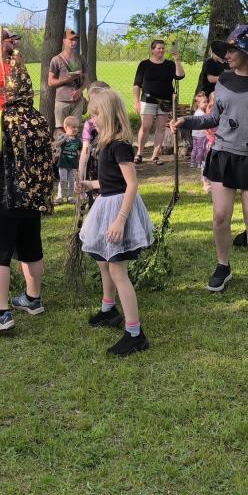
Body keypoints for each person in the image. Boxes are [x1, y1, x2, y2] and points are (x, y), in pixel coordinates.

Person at [170, 25, 248, 300]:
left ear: (246, 53)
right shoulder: (224, 80)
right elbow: (215, 117)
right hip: (223, 155)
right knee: (220, 216)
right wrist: (186, 121)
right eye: (225, 50)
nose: (226, 55)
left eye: (231, 50)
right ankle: (222, 266)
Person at [0, 51, 55, 334]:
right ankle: (32, 298)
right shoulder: (39, 119)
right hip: (33, 196)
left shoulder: (2, 118)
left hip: (6, 194)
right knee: (31, 245)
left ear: (8, 92)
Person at [78, 88, 153, 356]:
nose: (92, 120)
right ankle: (108, 309)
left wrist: (120, 220)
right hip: (107, 204)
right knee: (104, 262)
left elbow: (131, 184)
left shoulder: (120, 146)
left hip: (119, 210)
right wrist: (92, 184)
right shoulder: (106, 144)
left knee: (118, 271)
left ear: (108, 115)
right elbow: (113, 181)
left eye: (95, 115)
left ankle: (135, 333)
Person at [132, 39, 185, 164]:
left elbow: (180, 76)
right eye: (158, 48)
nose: (161, 50)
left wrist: (177, 60)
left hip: (165, 100)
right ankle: (139, 153)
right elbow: (136, 84)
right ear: (152, 50)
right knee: (145, 126)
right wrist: (136, 101)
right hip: (148, 100)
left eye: (163, 48)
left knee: (161, 128)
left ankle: (155, 156)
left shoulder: (169, 64)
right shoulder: (144, 64)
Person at [48, 28, 86, 135]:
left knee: (75, 131)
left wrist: (80, 91)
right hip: (61, 101)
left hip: (77, 102)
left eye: (75, 40)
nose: (74, 42)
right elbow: (50, 82)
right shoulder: (56, 60)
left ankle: (74, 147)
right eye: (71, 40)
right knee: (60, 131)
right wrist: (67, 79)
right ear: (64, 40)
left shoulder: (81, 59)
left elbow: (86, 80)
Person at [78, 81, 110, 206]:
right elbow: (85, 150)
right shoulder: (90, 125)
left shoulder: (116, 124)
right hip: (96, 168)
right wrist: (80, 176)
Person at [53, 115, 82, 203]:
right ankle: (60, 196)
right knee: (63, 180)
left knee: (71, 181)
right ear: (66, 128)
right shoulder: (63, 137)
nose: (76, 129)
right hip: (63, 163)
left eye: (77, 127)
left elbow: (80, 149)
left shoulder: (77, 140)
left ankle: (70, 196)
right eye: (73, 127)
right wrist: (64, 138)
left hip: (72, 164)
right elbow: (56, 145)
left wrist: (80, 155)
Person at [189, 92, 208, 168]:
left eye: (207, 102)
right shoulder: (202, 114)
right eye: (204, 102)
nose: (206, 104)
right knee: (201, 149)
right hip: (201, 135)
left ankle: (192, 162)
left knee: (194, 148)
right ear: (198, 104)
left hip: (194, 134)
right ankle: (199, 163)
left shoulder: (196, 112)